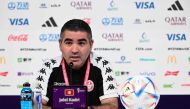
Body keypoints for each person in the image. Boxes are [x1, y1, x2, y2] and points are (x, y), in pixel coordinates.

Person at [33, 19, 118, 109]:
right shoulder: (48, 66)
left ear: (91, 44)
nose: (75, 50)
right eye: (69, 43)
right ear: (60, 44)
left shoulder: (102, 65)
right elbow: (34, 105)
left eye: (81, 43)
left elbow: (112, 106)